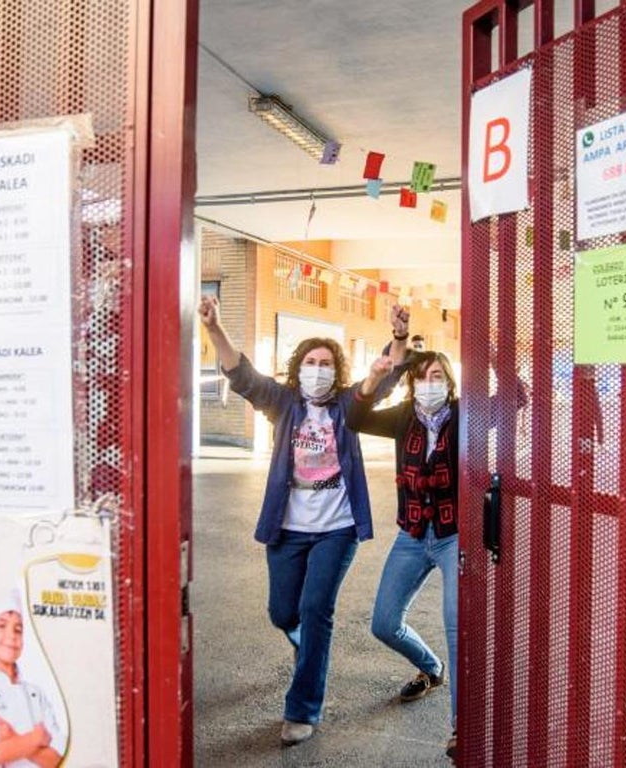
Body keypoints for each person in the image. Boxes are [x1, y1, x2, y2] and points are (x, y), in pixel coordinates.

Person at [197, 294, 409, 747]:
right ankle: (303, 644)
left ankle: (302, 709)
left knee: (316, 610)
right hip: (288, 528)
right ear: (299, 367)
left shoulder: (348, 406)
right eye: (311, 361)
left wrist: (398, 337)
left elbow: (382, 379)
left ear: (337, 370)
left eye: (326, 362)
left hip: (337, 528)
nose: (318, 368)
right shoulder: (283, 402)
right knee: (282, 613)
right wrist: (215, 328)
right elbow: (241, 375)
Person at [347, 350, 460, 759]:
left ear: (448, 381)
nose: (431, 383)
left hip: (452, 536)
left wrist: (496, 357)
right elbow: (355, 418)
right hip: (412, 534)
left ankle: (459, 728)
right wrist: (377, 374)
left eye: (437, 376)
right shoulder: (402, 418)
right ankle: (432, 670)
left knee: (455, 624)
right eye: (423, 377)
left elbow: (515, 399)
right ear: (413, 384)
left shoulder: (466, 415)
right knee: (383, 623)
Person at [0, 590, 65, 767]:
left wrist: (14, 740)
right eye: (1, 625)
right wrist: (37, 738)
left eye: (18, 629)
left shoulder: (36, 693)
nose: (12, 635)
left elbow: (56, 760)